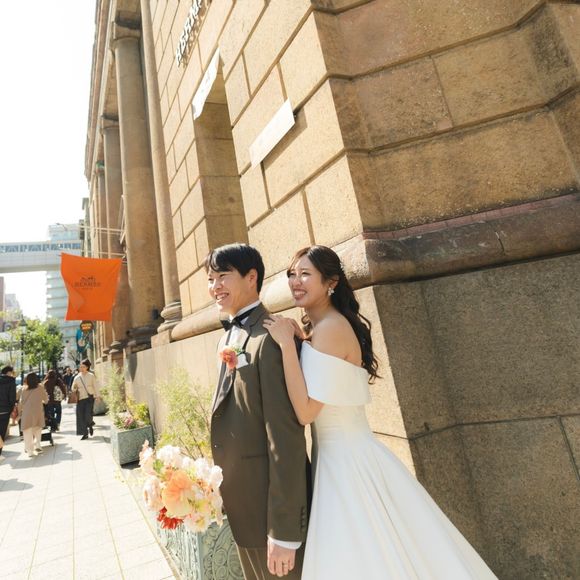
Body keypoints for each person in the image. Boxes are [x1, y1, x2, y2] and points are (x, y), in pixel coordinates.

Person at [263, 245, 498, 580]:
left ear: (331, 282)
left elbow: (305, 412)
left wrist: (287, 346)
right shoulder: (322, 327)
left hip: (346, 463)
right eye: (291, 274)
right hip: (341, 456)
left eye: (305, 274)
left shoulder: (330, 328)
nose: (295, 281)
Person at [205, 243, 309, 580]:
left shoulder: (272, 337)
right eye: (210, 279)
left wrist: (284, 531)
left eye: (223, 276)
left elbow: (285, 439)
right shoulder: (228, 337)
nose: (215, 286)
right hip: (243, 507)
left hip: (271, 512)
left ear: (252, 278)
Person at [20, 372, 47, 457]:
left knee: (27, 432)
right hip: (37, 411)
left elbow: (22, 402)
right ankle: (37, 444)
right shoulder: (40, 387)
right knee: (37, 429)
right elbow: (45, 399)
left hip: (27, 413)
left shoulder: (24, 389)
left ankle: (30, 451)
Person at [71, 359, 100, 440]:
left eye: (83, 367)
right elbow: (73, 388)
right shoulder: (77, 377)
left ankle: (90, 424)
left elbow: (96, 386)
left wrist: (97, 396)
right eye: (80, 367)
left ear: (87, 367)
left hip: (89, 398)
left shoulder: (91, 376)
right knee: (80, 416)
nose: (81, 368)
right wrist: (74, 388)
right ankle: (85, 433)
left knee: (88, 415)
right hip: (80, 399)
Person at [0, 365, 17, 461]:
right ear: (9, 372)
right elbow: (12, 397)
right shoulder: (11, 381)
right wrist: (11, 409)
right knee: (2, 433)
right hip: (5, 411)